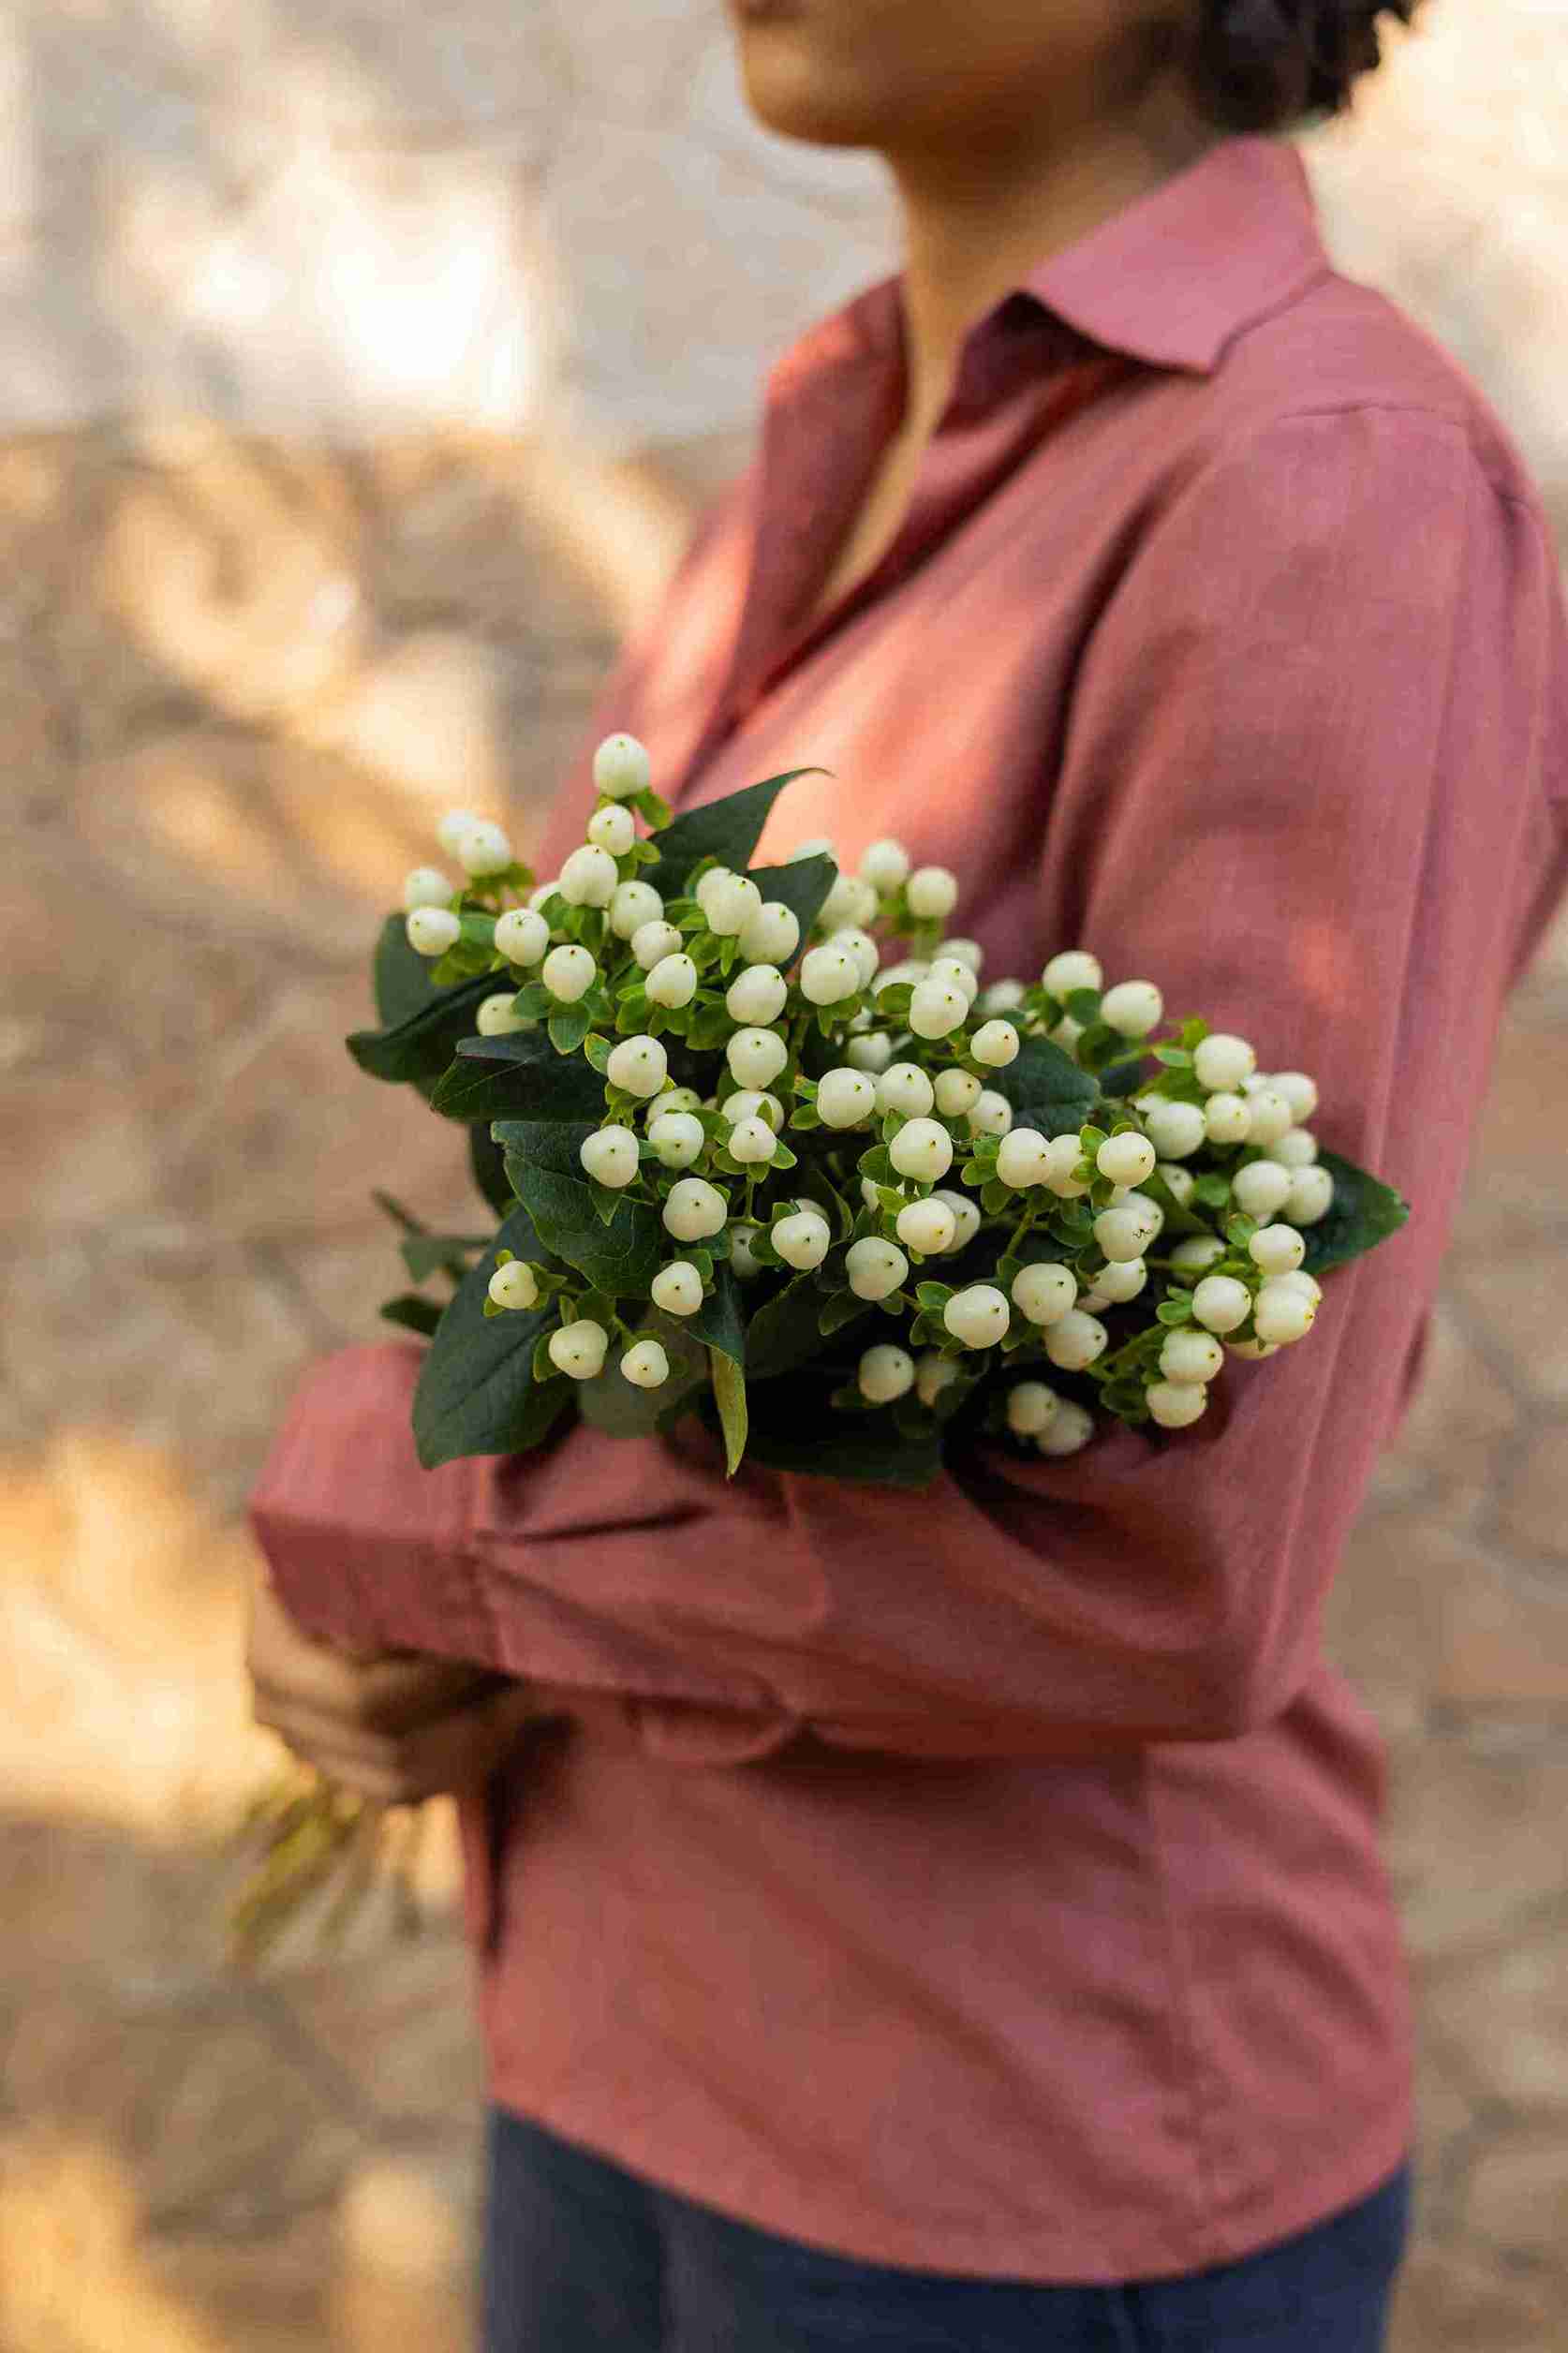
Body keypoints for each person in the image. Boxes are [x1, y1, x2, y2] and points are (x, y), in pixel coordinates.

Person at [246, 0, 1568, 2346]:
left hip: (996, 2166)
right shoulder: (831, 428)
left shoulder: (1319, 477)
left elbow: (1186, 1556)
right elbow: (593, 1233)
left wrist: (410, 1523)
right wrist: (424, 1626)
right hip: (617, 2026)